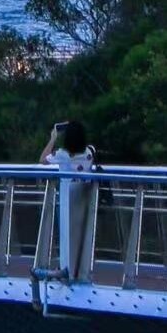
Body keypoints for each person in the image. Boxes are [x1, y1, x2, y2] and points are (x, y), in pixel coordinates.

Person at [40, 119, 99, 280]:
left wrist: (52, 138)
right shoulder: (89, 152)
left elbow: (43, 160)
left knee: (66, 232)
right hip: (85, 196)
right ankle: (80, 269)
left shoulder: (63, 154)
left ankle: (66, 268)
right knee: (81, 233)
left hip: (68, 196)